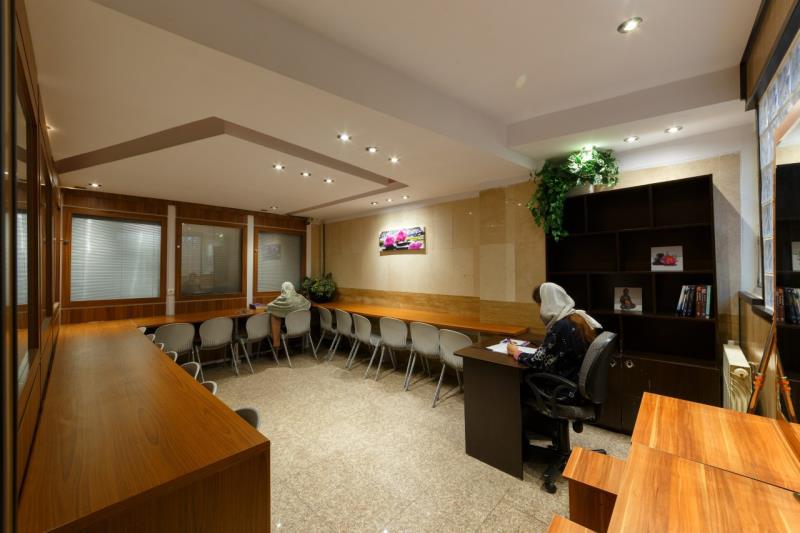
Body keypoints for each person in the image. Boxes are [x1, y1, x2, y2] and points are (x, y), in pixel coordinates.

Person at [508, 282, 602, 387]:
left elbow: (537, 362)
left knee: (521, 379)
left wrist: (516, 352)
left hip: (564, 385)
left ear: (548, 303)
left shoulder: (561, 326)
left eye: (540, 304)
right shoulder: (577, 317)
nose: (539, 309)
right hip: (577, 377)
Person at [267, 282, 311, 348]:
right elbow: (308, 304)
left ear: (283, 290)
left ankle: (276, 343)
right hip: (303, 329)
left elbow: (270, 307)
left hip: (289, 331)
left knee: (274, 315)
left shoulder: (282, 299)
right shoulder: (300, 298)